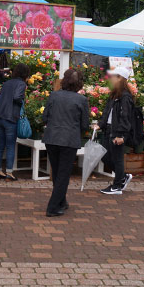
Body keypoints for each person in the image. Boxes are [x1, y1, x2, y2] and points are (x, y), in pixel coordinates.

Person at [42, 69, 89, 217]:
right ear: (79, 83)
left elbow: (45, 117)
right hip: (69, 139)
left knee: (57, 172)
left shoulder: (54, 95)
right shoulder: (82, 100)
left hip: (52, 137)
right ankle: (53, 207)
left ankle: (61, 201)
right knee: (63, 174)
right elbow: (84, 125)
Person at [94, 66, 134, 195]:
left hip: (118, 131)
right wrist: (100, 124)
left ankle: (117, 186)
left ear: (120, 78)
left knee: (117, 158)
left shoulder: (126, 97)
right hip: (109, 129)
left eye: (114, 77)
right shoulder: (114, 95)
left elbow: (126, 117)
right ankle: (122, 177)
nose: (111, 79)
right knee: (105, 156)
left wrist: (122, 135)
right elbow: (107, 112)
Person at [0, 63, 30, 180]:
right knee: (10, 146)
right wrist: (22, 101)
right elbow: (17, 97)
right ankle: (9, 172)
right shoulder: (21, 84)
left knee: (0, 146)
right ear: (25, 74)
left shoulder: (7, 83)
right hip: (10, 118)